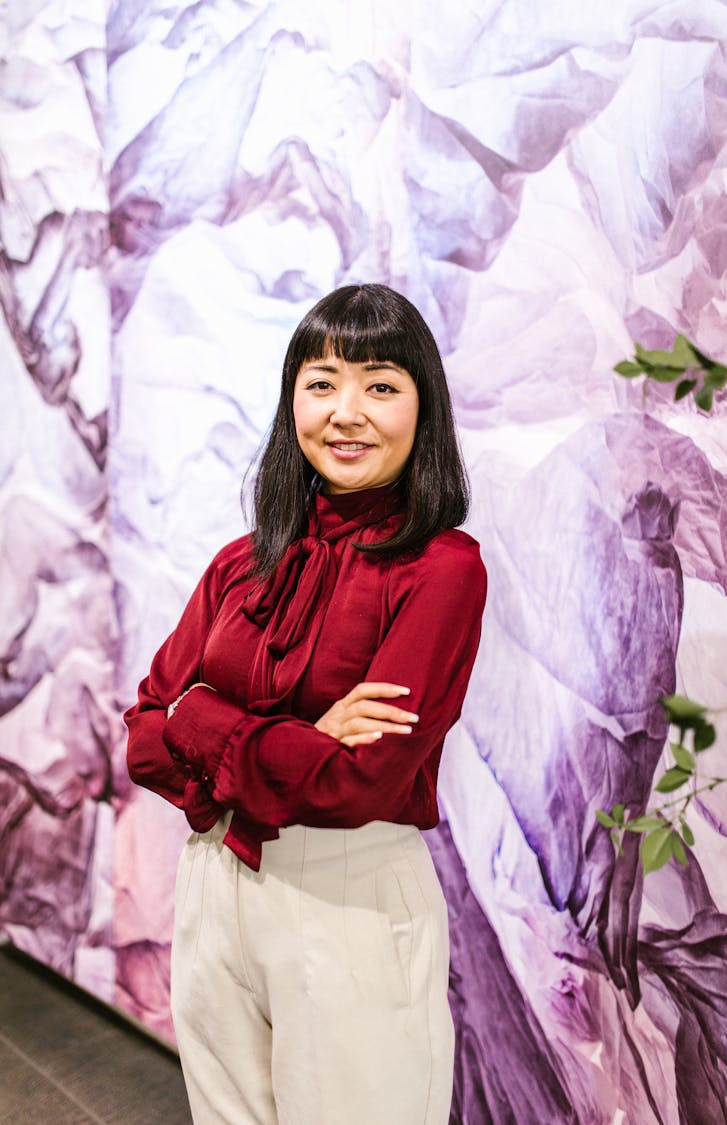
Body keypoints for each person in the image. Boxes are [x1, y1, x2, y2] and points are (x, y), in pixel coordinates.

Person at [124, 283, 487, 1125]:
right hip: (213, 879)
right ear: (293, 401)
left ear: (422, 408)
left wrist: (201, 718)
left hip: (347, 895)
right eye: (322, 382)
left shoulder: (442, 570)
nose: (346, 411)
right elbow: (143, 735)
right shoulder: (238, 564)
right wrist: (292, 737)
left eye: (381, 384)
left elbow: (356, 781)